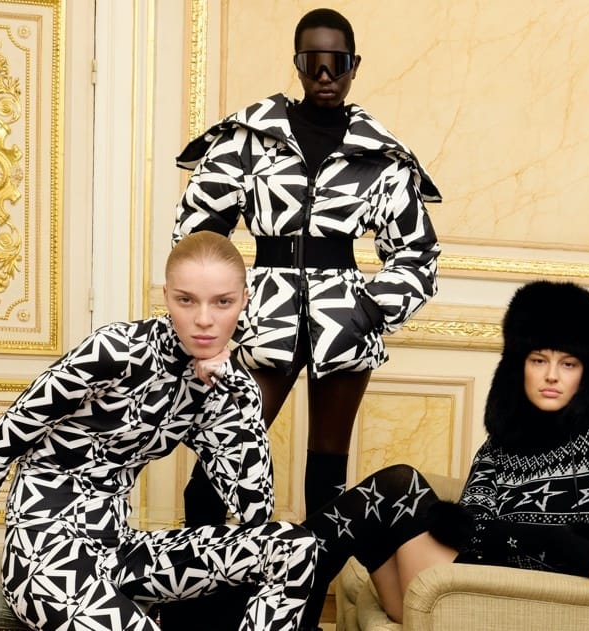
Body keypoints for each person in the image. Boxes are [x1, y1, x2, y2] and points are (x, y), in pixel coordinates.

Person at [0, 232, 318, 631]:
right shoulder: (116, 351)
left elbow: (254, 512)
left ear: (244, 300)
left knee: (293, 547)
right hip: (45, 555)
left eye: (222, 302)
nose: (204, 319)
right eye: (186, 300)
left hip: (117, 548)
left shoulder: (226, 387)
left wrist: (237, 396)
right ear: (166, 297)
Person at [296, 280, 589, 627]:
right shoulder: (503, 440)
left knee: (398, 484)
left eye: (568, 364)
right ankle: (294, 600)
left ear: (587, 372)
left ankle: (279, 568)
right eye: (539, 360)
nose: (552, 376)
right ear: (519, 366)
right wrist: (557, 540)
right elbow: (473, 525)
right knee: (381, 507)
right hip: (471, 577)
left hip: (533, 587)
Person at [171, 6, 442, 528]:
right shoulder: (247, 141)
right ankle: (198, 578)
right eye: (312, 61)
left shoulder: (380, 156)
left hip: (346, 322)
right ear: (297, 63)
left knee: (327, 475)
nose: (324, 74)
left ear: (354, 65)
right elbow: (197, 234)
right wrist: (220, 315)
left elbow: (417, 251)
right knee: (220, 462)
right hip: (263, 317)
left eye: (336, 62)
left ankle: (309, 583)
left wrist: (369, 310)